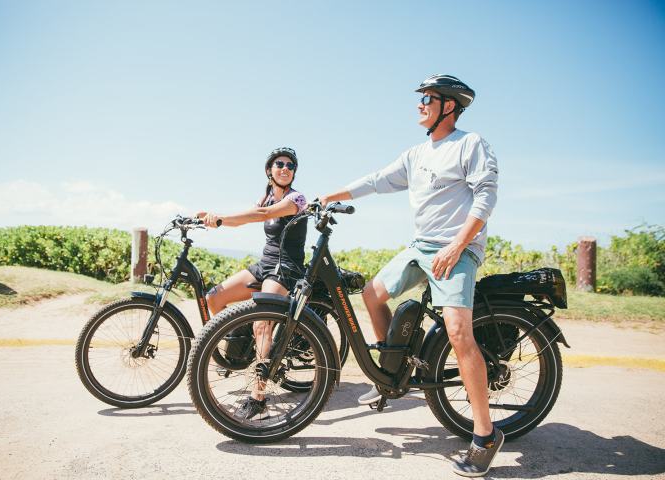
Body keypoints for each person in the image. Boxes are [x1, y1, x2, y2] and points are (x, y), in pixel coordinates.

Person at [318, 74, 502, 477]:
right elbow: (377, 181)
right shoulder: (417, 153)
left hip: (458, 249)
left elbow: (486, 197)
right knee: (371, 294)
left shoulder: (469, 144)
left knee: (458, 332)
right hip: (421, 247)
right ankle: (391, 372)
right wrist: (331, 195)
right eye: (420, 98)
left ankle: (485, 435)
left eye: (427, 98)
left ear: (448, 106)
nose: (419, 104)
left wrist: (457, 246)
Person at [197, 146, 308, 420]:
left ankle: (259, 396)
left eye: (290, 165)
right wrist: (213, 220)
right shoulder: (266, 196)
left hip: (286, 266)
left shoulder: (298, 198)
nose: (285, 168)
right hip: (265, 263)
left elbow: (260, 217)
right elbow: (247, 217)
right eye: (279, 164)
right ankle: (243, 345)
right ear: (269, 170)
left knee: (262, 322)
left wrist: (222, 218)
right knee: (214, 297)